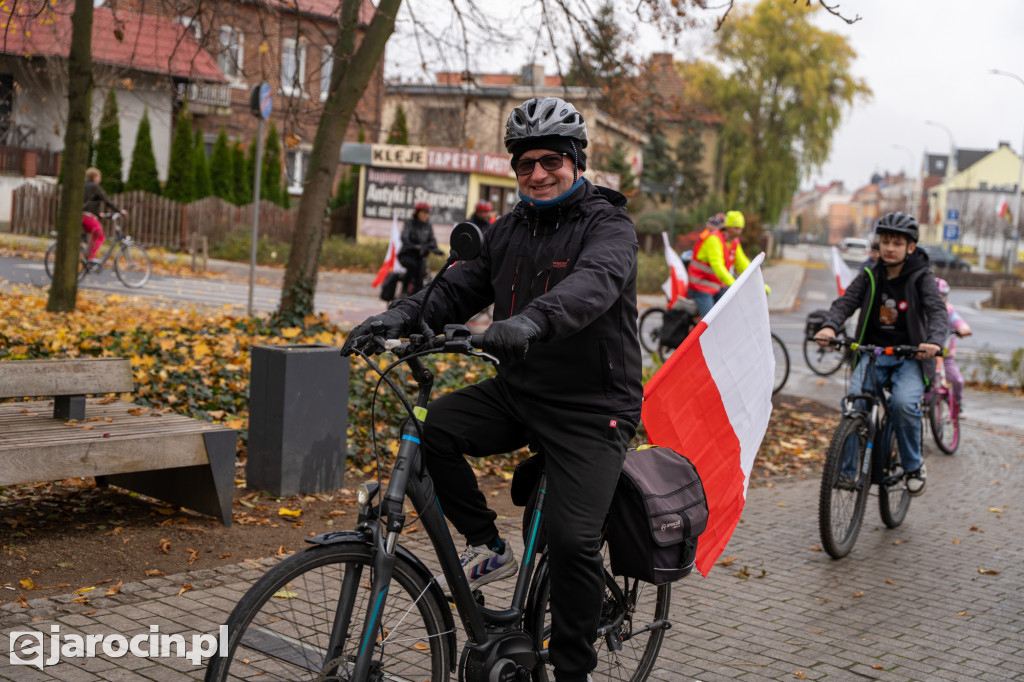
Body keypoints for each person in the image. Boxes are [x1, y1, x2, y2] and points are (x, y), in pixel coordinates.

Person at [342, 95, 641, 682]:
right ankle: (490, 544)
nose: (537, 173)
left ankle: (573, 672)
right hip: (521, 393)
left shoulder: (610, 226)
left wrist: (530, 321)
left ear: (575, 161)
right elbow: (457, 289)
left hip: (592, 407)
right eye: (525, 164)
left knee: (575, 542)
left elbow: (592, 285)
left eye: (551, 160)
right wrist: (396, 318)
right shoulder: (508, 230)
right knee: (429, 432)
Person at [814, 212, 946, 496]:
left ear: (910, 247)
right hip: (872, 354)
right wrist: (829, 327)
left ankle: (913, 466)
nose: (889, 247)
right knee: (854, 406)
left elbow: (937, 311)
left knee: (901, 404)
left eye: (897, 243)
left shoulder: (921, 277)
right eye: (885, 241)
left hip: (910, 357)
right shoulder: (870, 274)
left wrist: (933, 341)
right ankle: (849, 472)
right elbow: (845, 302)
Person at [686, 209, 758, 317]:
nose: (739, 232)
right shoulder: (714, 239)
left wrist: (759, 283)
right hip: (701, 286)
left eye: (741, 229)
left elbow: (743, 264)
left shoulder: (733, 242)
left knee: (730, 313)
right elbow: (717, 266)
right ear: (728, 227)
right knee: (710, 322)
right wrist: (734, 284)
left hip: (717, 286)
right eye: (736, 228)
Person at [935, 277, 972, 409]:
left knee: (957, 380)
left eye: (942, 296)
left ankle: (957, 403)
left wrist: (963, 329)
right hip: (930, 356)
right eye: (936, 296)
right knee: (929, 384)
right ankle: (930, 407)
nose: (939, 299)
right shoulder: (924, 310)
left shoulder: (948, 310)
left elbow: (957, 321)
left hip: (946, 356)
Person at [82, 167, 125, 264]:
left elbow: (90, 202)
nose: (100, 178)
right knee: (100, 235)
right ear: (94, 177)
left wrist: (98, 214)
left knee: (94, 235)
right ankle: (90, 258)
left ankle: (87, 255)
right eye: (99, 176)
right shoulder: (94, 187)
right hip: (87, 216)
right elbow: (107, 200)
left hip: (82, 215)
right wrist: (119, 210)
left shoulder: (85, 186)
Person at [398, 201, 442, 296]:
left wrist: (436, 249)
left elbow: (432, 240)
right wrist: (412, 245)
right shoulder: (409, 223)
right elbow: (404, 236)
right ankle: (404, 291)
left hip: (420, 256)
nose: (426, 215)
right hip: (407, 254)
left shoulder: (428, 226)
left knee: (422, 272)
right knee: (412, 265)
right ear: (417, 212)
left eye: (428, 213)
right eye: (424, 213)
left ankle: (416, 296)